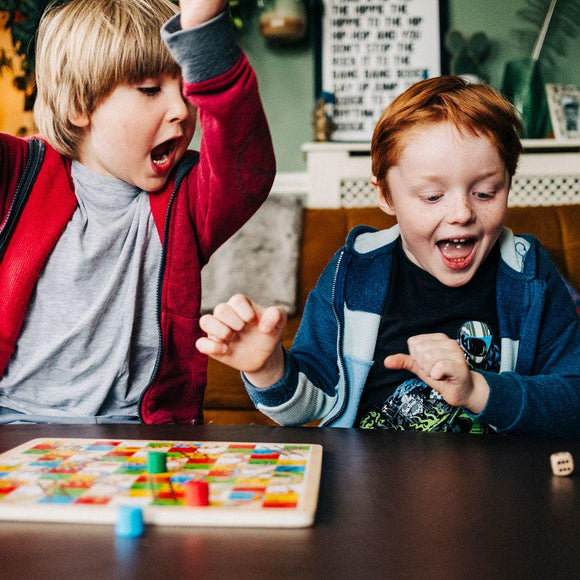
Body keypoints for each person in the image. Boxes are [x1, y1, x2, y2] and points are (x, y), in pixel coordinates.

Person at [197, 76, 580, 437]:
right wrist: (268, 368)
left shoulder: (530, 275)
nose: (462, 212)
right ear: (385, 196)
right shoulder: (353, 270)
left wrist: (477, 390)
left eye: (485, 193)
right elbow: (306, 408)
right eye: (432, 196)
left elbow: (573, 401)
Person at [0, 0, 275, 424]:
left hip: (140, 436)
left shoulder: (184, 199)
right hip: (15, 425)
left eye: (185, 89)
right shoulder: (19, 173)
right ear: (79, 104)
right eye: (150, 90)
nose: (182, 111)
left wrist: (203, 31)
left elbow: (246, 168)